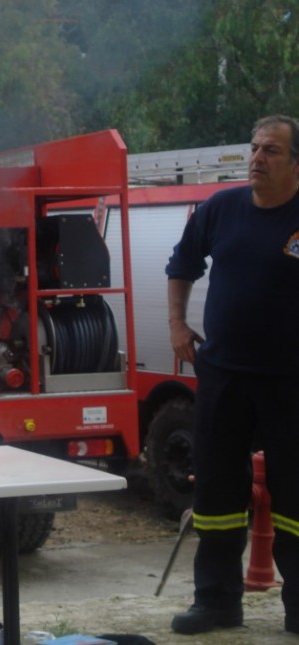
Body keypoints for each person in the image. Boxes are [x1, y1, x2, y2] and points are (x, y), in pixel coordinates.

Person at [166, 114, 299, 636]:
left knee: (295, 499)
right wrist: (177, 325)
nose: (257, 159)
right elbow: (182, 264)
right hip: (222, 376)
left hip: (291, 381)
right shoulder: (222, 209)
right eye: (254, 148)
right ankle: (217, 602)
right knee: (217, 494)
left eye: (271, 151)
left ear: (295, 164)